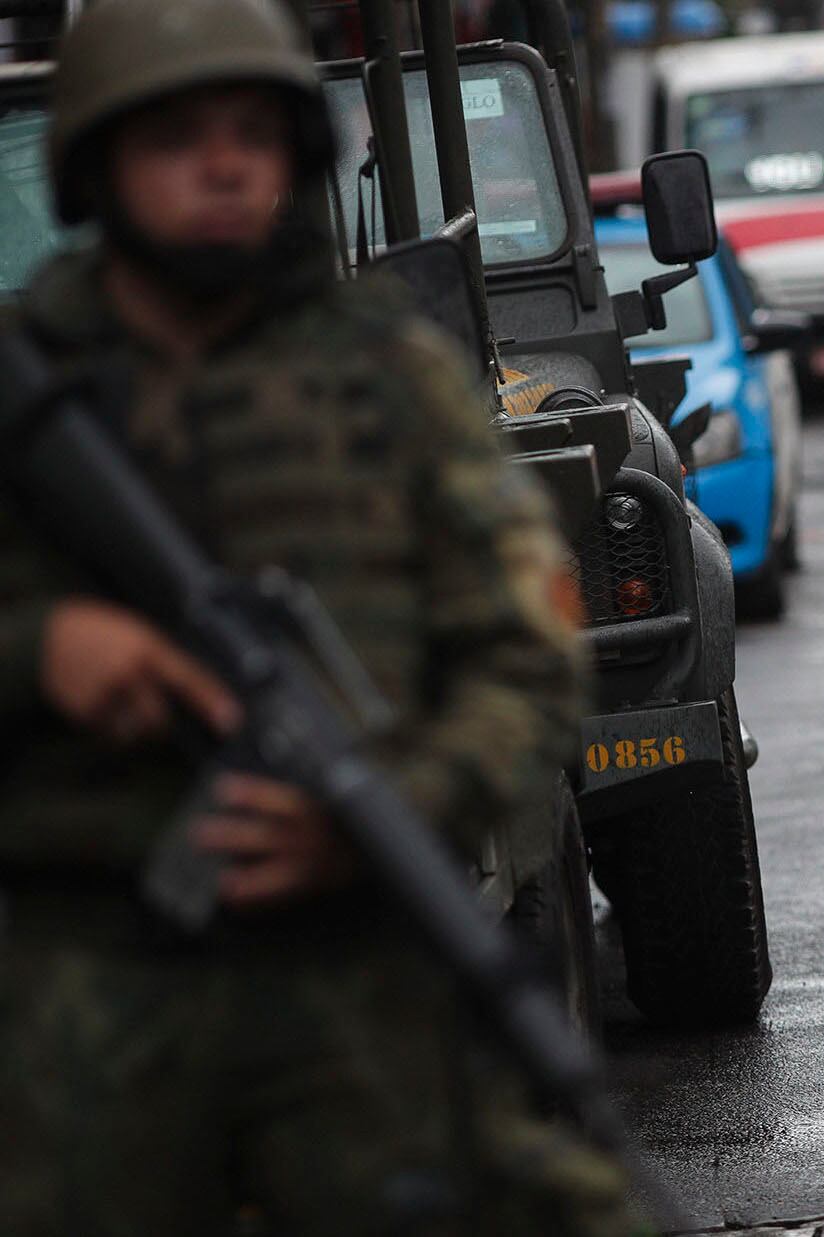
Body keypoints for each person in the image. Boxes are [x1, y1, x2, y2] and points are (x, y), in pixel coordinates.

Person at [0, 1, 645, 1233]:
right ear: (96, 162)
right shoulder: (26, 382)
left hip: (352, 944)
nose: (226, 163)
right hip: (90, 968)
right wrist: (45, 648)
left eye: (254, 130)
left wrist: (394, 805)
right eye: (179, 135)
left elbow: (522, 651)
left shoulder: (388, 377)